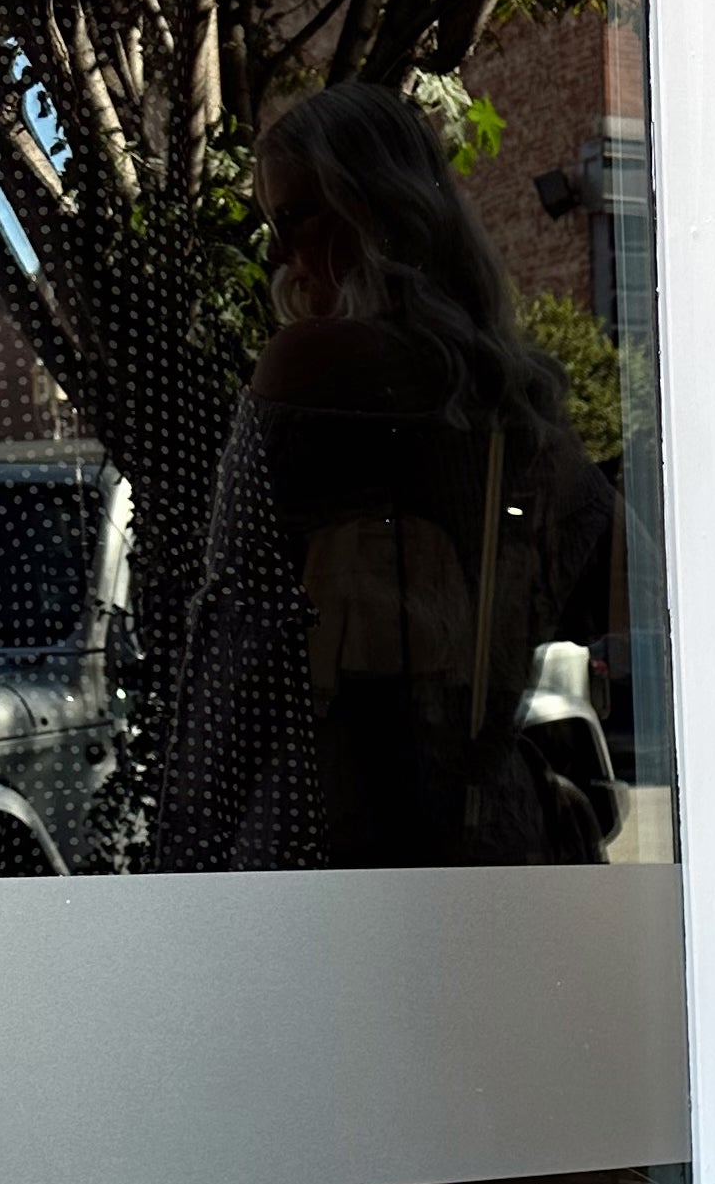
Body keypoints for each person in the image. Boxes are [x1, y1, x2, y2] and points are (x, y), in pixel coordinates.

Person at [156, 82, 617, 870]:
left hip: (336, 838)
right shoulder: (510, 401)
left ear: (371, 209)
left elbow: (238, 631)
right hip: (488, 834)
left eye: (295, 216)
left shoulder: (310, 365)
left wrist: (184, 863)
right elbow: (620, 579)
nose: (278, 253)